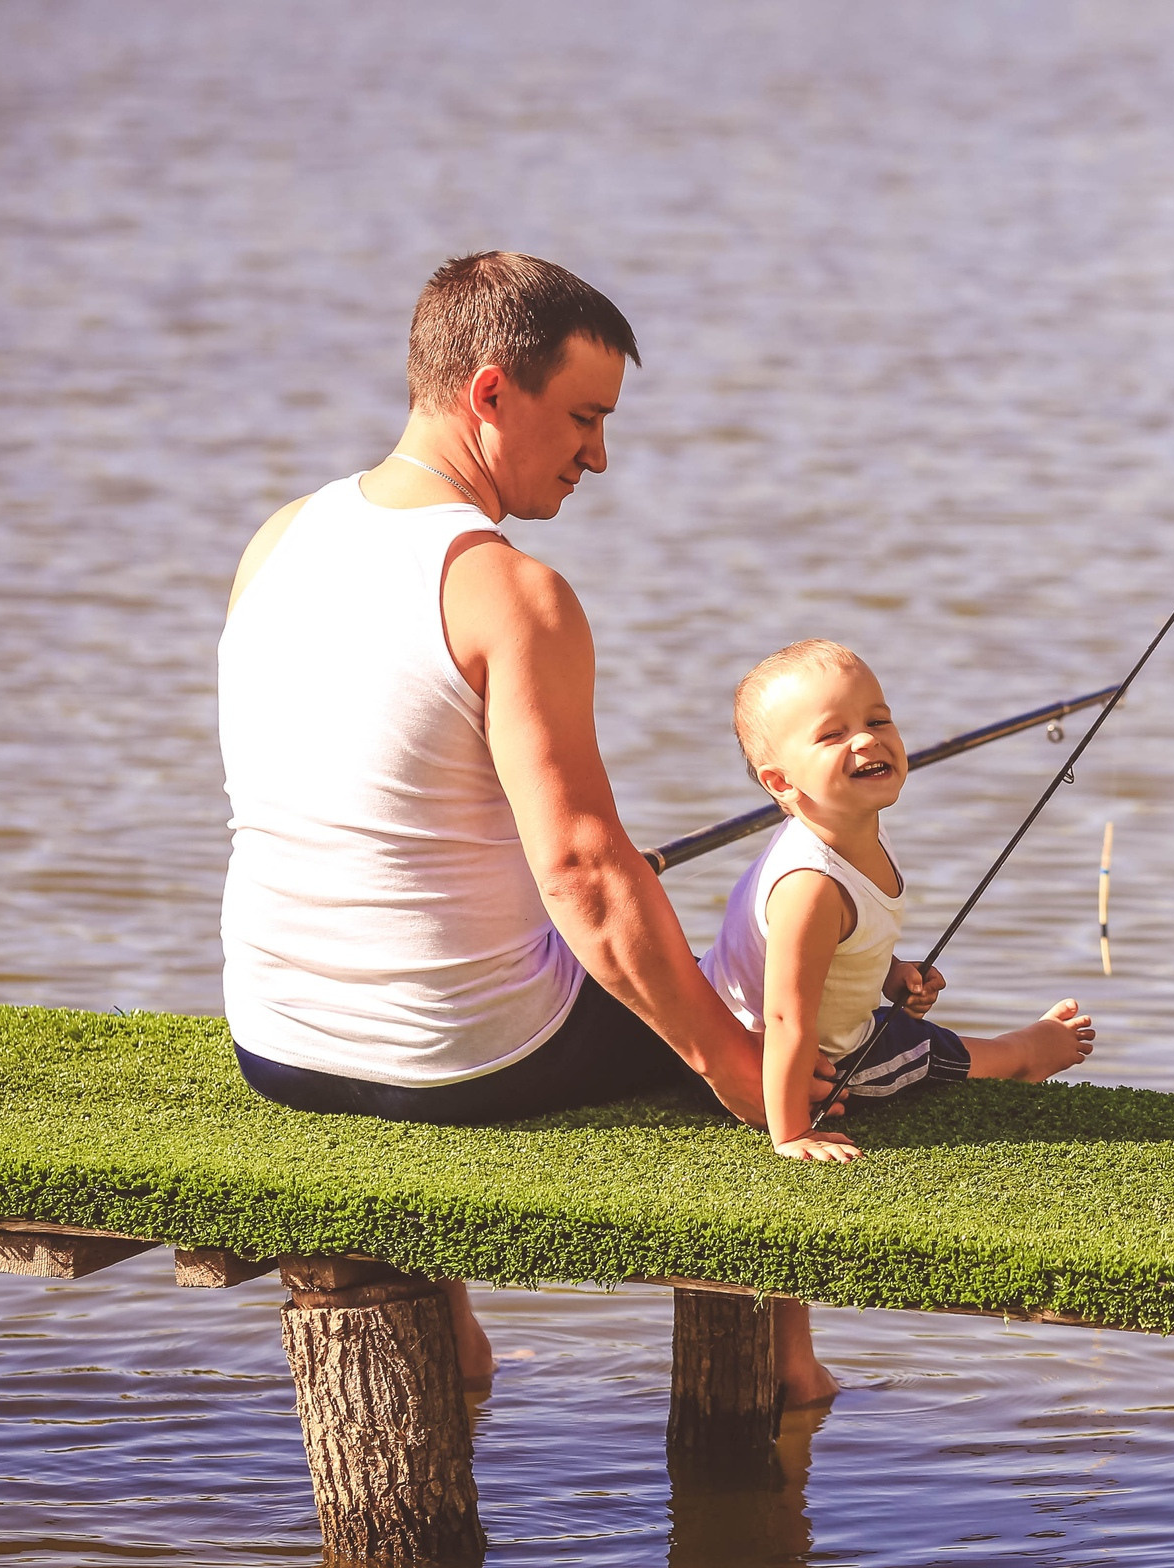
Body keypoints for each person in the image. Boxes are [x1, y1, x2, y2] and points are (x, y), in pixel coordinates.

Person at [218, 251, 834, 1402]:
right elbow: (585, 872)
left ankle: (457, 1342)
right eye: (586, 418)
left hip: (278, 1042)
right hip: (465, 1059)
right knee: (767, 1008)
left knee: (582, 938)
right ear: (492, 392)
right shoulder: (511, 591)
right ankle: (787, 1375)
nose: (599, 455)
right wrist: (733, 1067)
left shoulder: (280, 538)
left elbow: (367, 815)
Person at [700, 639, 1097, 1161]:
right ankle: (1024, 1054)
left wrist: (889, 973)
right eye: (833, 734)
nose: (867, 739)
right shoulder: (811, 886)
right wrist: (793, 1132)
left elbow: (835, 949)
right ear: (781, 781)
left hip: (777, 1017)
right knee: (926, 1049)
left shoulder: (856, 827)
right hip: (811, 1057)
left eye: (878, 720)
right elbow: (783, 1020)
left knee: (906, 1023)